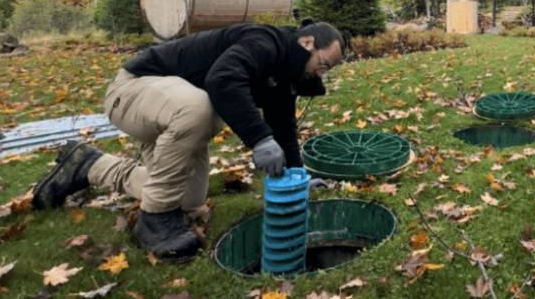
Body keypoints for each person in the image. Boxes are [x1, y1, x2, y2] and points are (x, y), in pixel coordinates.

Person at [31, 20, 344, 260]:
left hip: (169, 108)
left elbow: (283, 128)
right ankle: (154, 222)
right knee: (202, 106)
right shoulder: (265, 42)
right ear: (307, 42)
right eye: (324, 63)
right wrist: (259, 139)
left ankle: (89, 165)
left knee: (188, 202)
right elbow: (222, 80)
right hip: (133, 90)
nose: (322, 74)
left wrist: (297, 177)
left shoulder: (283, 74)